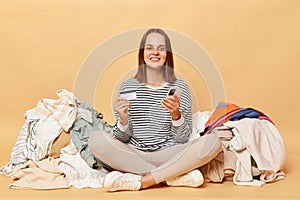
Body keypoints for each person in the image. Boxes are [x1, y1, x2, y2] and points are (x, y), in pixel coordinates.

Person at [88, 28, 221, 192]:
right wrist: (122, 120)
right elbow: (121, 138)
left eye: (161, 48)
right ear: (142, 53)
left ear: (167, 54)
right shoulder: (128, 86)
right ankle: (171, 176)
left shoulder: (179, 88)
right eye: (149, 48)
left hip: (169, 153)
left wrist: (176, 115)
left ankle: (144, 181)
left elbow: (183, 138)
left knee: (213, 141)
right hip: (134, 153)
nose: (155, 53)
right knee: (96, 140)